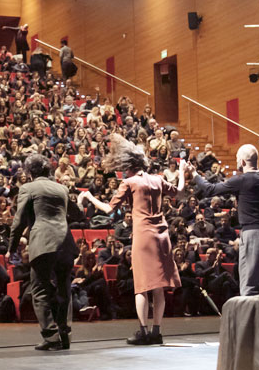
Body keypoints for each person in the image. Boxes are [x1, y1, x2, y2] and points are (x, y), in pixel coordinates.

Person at [80, 134, 186, 345]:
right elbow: (180, 191)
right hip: (162, 235)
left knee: (142, 285)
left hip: (144, 235)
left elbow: (109, 210)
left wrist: (89, 197)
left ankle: (143, 331)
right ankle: (157, 332)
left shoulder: (129, 182)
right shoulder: (156, 179)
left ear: (128, 165)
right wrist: (182, 171)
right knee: (158, 286)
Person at [7, 154, 80, 351]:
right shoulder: (62, 188)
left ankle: (51, 335)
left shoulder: (27, 188)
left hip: (43, 244)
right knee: (64, 290)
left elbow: (18, 221)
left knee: (39, 290)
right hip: (66, 243)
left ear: (30, 172)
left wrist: (11, 248)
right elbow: (79, 214)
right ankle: (65, 336)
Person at [191, 144, 259, 296]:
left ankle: (248, 320)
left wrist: (194, 175)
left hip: (252, 234)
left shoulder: (241, 180)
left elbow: (210, 189)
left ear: (243, 162)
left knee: (250, 285)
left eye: (238, 159)